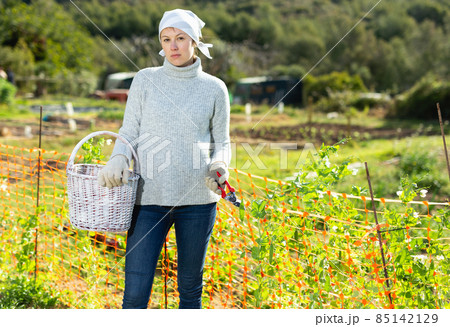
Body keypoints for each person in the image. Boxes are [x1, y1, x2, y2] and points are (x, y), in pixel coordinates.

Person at [97, 9, 231, 309]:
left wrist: (220, 164)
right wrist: (119, 156)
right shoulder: (145, 80)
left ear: (194, 41)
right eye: (167, 39)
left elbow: (222, 141)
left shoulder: (214, 88)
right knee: (135, 289)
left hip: (198, 202)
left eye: (181, 38)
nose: (173, 46)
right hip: (148, 200)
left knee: (190, 288)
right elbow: (129, 129)